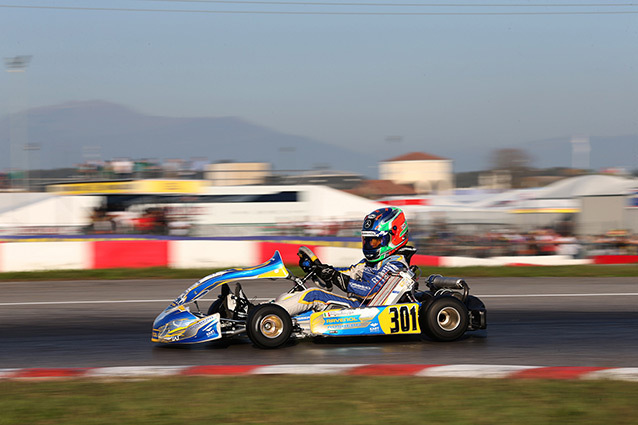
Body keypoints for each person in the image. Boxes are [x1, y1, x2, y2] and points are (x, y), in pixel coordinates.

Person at [275, 207, 413, 316]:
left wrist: (334, 276)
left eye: (374, 241)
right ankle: (268, 313)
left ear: (393, 237)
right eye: (367, 240)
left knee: (312, 295)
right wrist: (320, 269)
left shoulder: (396, 265)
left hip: (365, 311)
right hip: (357, 306)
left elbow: (370, 290)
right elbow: (349, 273)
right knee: (287, 297)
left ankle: (270, 316)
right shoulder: (370, 263)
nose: (370, 245)